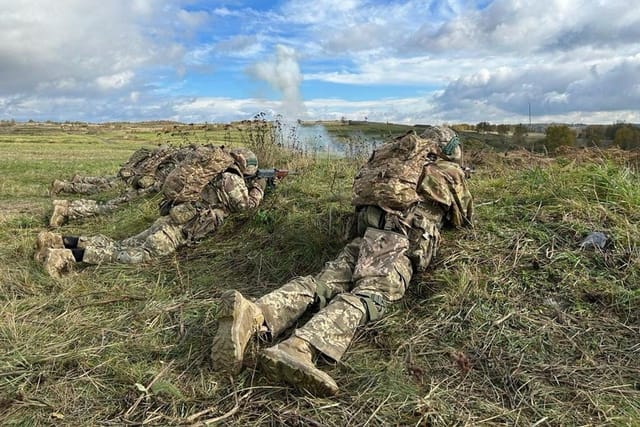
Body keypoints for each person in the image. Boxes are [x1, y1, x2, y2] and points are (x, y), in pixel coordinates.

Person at [210, 126, 473, 396]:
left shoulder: (391, 160)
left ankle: (254, 313)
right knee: (369, 297)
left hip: (361, 239)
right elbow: (463, 218)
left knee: (320, 285)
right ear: (450, 149)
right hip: (395, 246)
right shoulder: (447, 172)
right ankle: (299, 347)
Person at [35, 146, 267, 277]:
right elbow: (245, 207)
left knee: (122, 245)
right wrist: (259, 187)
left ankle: (58, 240)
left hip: (170, 219)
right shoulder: (231, 178)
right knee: (135, 255)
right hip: (180, 229)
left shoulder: (214, 172)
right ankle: (64, 256)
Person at [48, 145, 194, 227]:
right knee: (107, 204)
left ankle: (67, 202)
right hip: (141, 190)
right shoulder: (176, 165)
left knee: (107, 200)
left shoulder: (168, 158)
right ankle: (66, 208)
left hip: (136, 184)